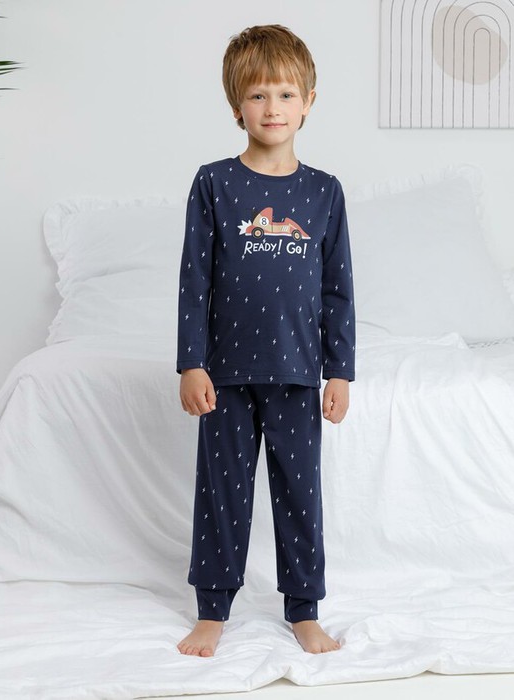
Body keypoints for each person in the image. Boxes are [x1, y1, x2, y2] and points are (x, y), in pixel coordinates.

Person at [175, 24, 355, 657]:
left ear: (308, 102)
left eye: (284, 94)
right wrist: (191, 363)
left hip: (299, 372)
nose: (272, 108)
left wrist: (340, 371)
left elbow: (338, 289)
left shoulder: (324, 192)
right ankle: (212, 611)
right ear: (236, 107)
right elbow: (194, 281)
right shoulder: (214, 183)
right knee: (221, 493)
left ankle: (304, 609)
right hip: (224, 374)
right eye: (257, 95)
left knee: (300, 496)